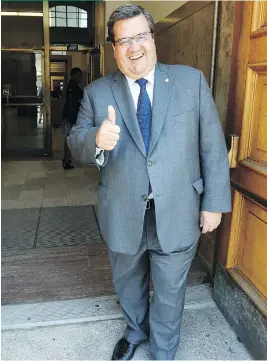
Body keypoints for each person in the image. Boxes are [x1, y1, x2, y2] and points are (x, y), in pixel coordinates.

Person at [67, 4, 231, 360]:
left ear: (153, 38)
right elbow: (74, 141)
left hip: (178, 208)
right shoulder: (98, 93)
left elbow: (212, 147)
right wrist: (96, 139)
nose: (133, 47)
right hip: (123, 209)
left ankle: (163, 349)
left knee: (171, 291)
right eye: (123, 40)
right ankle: (135, 331)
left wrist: (214, 203)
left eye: (140, 36)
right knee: (128, 284)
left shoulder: (190, 81)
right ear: (113, 48)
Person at [62, 67, 83, 170]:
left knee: (67, 138)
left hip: (68, 116)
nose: (80, 77)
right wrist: (71, 119)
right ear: (73, 75)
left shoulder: (71, 86)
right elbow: (72, 104)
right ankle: (66, 161)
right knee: (68, 139)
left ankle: (66, 159)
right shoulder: (73, 87)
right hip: (70, 117)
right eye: (78, 75)